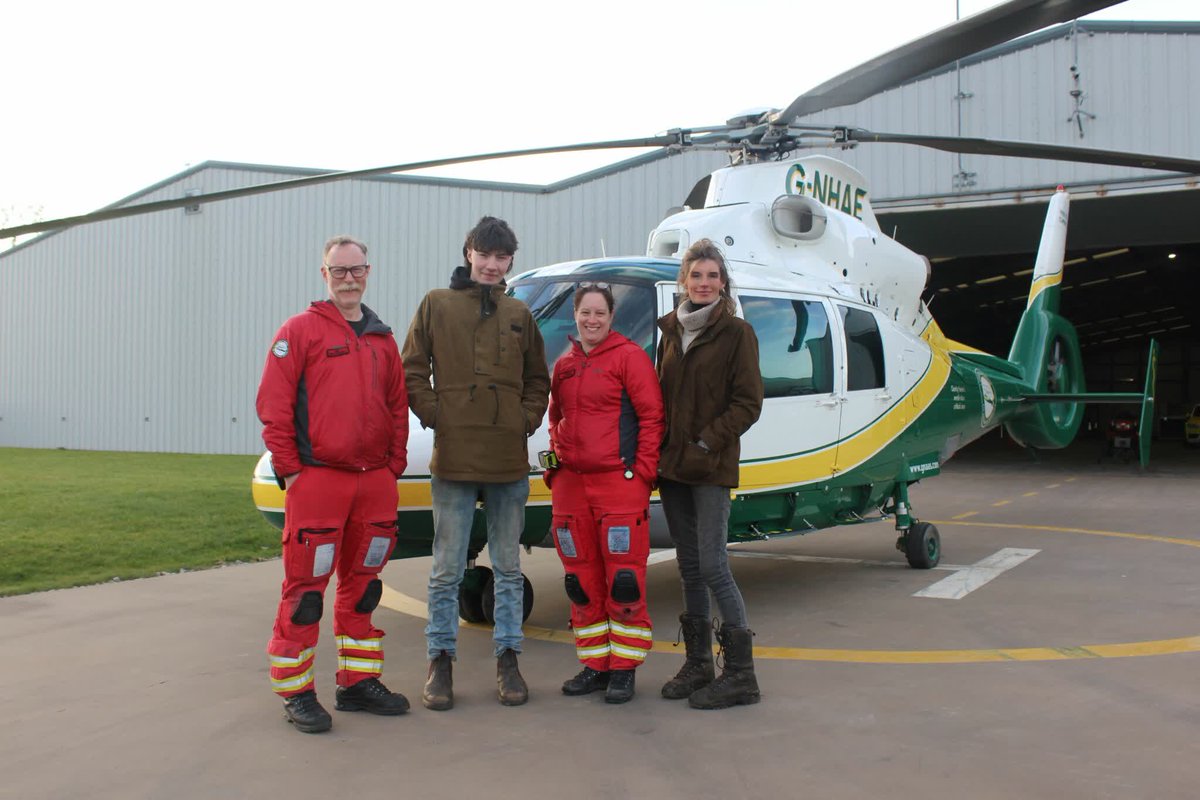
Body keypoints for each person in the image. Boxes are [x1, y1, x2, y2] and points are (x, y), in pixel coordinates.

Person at [256, 235, 411, 734]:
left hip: (374, 482)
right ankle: (297, 692)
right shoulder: (299, 331)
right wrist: (293, 469)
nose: (349, 278)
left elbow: (396, 407)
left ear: (368, 271)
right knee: (306, 591)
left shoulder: (384, 340)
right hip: (319, 480)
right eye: (339, 270)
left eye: (357, 269)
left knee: (364, 588)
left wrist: (394, 465)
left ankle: (357, 682)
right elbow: (274, 406)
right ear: (324, 274)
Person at [401, 216, 550, 711]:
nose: (491, 264)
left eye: (501, 257)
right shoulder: (435, 305)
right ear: (469, 253)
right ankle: (439, 662)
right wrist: (435, 415)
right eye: (484, 255)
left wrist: (525, 421)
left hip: (508, 459)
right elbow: (412, 368)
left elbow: (537, 379)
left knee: (508, 568)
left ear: (510, 261)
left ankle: (509, 659)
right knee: (446, 570)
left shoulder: (518, 313)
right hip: (454, 457)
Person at [656, 238, 764, 710]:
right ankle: (698, 662)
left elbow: (748, 403)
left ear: (723, 282)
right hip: (674, 467)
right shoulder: (671, 332)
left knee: (714, 564)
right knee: (689, 566)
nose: (704, 283)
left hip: (711, 466)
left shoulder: (738, 333)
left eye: (712, 276)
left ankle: (741, 673)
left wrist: (706, 441)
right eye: (696, 275)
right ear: (684, 281)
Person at [544, 283, 664, 704]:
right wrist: (554, 472)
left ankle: (624, 669)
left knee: (624, 581)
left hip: (618, 485)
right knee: (581, 580)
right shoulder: (564, 366)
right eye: (584, 313)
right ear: (574, 316)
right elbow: (555, 420)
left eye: (600, 313)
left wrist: (643, 473)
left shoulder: (630, 358)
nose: (591, 320)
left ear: (612, 317)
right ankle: (594, 664)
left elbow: (652, 419)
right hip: (571, 488)